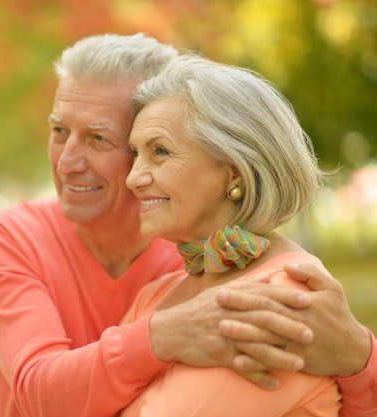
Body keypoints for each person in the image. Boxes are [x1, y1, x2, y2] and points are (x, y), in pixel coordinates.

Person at [0, 33, 377, 417]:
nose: (66, 163)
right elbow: (40, 393)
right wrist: (163, 335)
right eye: (59, 131)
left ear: (233, 171)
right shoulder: (169, 285)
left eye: (100, 139)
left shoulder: (270, 292)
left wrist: (360, 358)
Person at [120, 52, 341, 416]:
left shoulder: (286, 295)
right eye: (135, 154)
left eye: (159, 151)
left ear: (235, 171)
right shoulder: (156, 294)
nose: (132, 179)